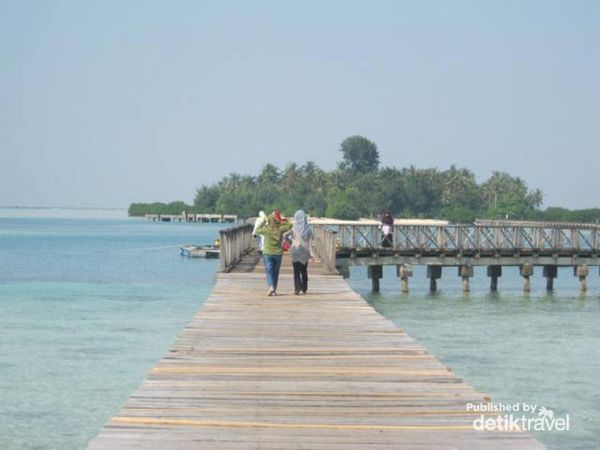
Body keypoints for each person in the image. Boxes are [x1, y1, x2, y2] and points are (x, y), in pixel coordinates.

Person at [255, 211, 292, 296]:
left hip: (267, 253)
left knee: (269, 271)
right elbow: (290, 225)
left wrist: (264, 222)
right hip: (278, 253)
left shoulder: (266, 229)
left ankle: (271, 287)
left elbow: (257, 230)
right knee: (275, 272)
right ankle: (274, 289)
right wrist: (283, 220)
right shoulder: (280, 229)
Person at [284, 210, 313, 295]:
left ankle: (297, 289)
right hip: (304, 251)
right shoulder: (308, 229)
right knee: (304, 270)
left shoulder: (293, 228)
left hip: (295, 251)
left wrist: (290, 243)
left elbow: (284, 235)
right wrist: (311, 254)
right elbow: (310, 242)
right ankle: (304, 288)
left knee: (296, 271)